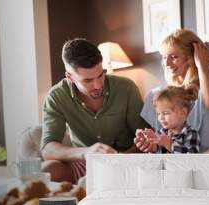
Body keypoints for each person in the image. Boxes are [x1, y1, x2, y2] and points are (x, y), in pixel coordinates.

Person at [41, 38, 149, 183]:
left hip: (126, 159)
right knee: (48, 170)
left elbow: (146, 137)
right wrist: (86, 152)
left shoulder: (126, 88)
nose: (98, 85)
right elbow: (47, 149)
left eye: (100, 75)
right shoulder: (56, 96)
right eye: (88, 80)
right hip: (85, 163)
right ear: (70, 77)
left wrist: (121, 158)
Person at [136, 29, 209, 152]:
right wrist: (151, 145)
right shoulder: (156, 96)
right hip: (171, 164)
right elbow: (161, 140)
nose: (166, 63)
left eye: (173, 57)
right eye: (164, 57)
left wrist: (202, 66)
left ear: (192, 58)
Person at [137, 86, 199, 153]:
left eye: (165, 113)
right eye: (159, 113)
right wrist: (153, 147)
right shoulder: (160, 133)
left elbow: (192, 158)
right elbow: (158, 157)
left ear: (183, 112)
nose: (161, 117)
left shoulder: (190, 134)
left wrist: (170, 145)